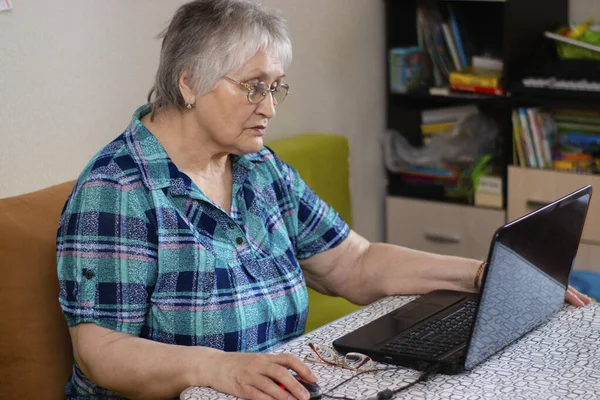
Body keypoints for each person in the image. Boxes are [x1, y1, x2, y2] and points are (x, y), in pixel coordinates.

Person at [56, 0, 592, 399]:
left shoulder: (258, 168)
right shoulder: (120, 189)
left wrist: (482, 275)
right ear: (190, 81)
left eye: (276, 87)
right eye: (253, 86)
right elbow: (100, 350)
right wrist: (215, 368)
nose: (270, 106)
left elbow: (353, 263)